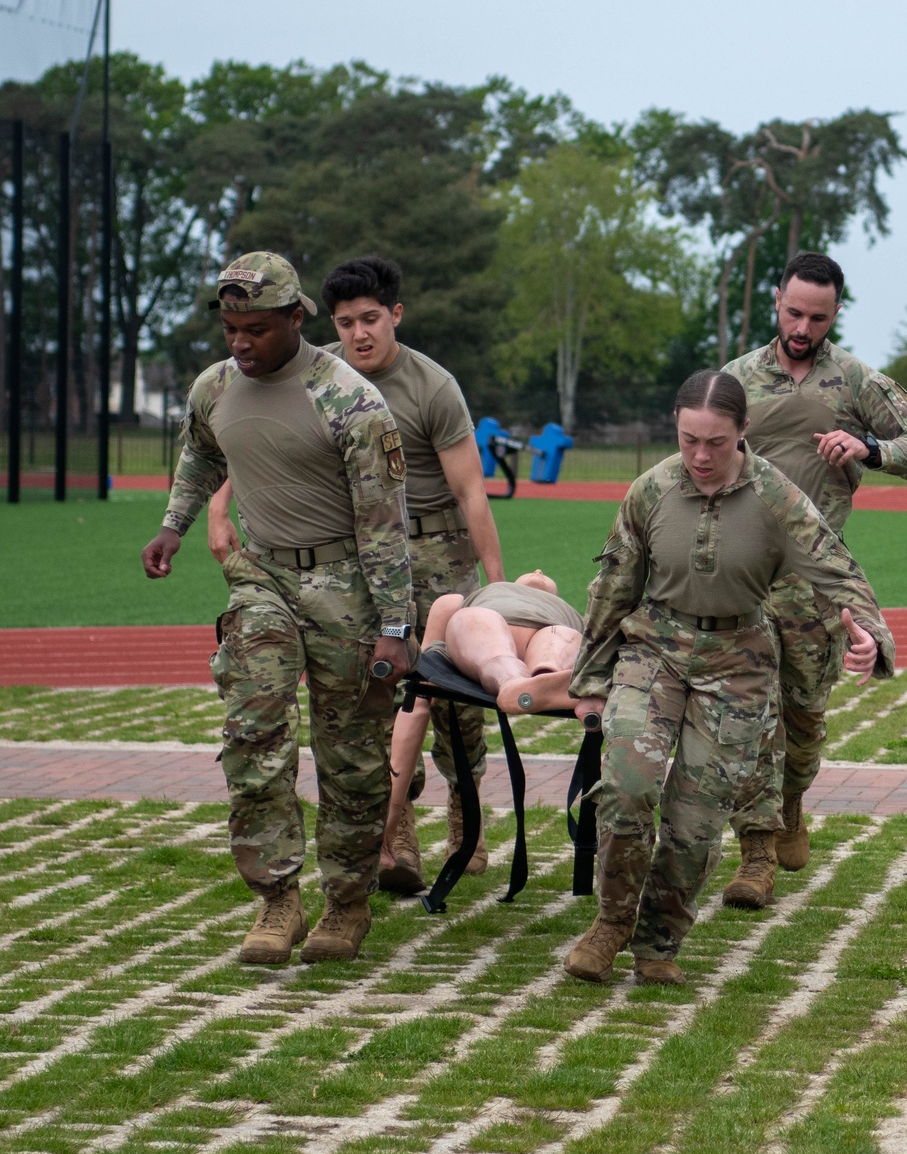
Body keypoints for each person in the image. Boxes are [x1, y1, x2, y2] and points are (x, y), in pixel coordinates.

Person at [563, 368, 894, 987]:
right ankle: (610, 924)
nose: (700, 455)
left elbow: (837, 570)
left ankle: (658, 941)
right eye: (690, 439)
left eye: (716, 441)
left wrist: (872, 635)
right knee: (628, 784)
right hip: (654, 648)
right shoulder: (651, 489)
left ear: (744, 433)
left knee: (696, 816)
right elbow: (613, 588)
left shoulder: (777, 497)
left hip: (738, 658)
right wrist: (588, 679)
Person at [141, 251, 416, 968]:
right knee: (253, 731)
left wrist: (395, 629)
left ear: (297, 320)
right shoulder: (216, 387)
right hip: (260, 579)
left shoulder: (351, 403)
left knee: (352, 760)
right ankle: (276, 897)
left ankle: (347, 904)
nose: (241, 343)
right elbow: (201, 455)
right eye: (231, 329)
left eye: (257, 329)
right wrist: (175, 522)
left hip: (346, 587)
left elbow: (385, 526)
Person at [208, 254, 504, 896]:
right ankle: (395, 832)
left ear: (394, 315)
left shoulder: (432, 386)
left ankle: (464, 809)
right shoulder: (322, 380)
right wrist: (217, 506)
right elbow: (260, 444)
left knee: (454, 699)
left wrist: (494, 586)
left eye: (370, 319)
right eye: (345, 323)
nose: (359, 333)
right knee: (387, 694)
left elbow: (471, 488)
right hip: (363, 556)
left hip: (437, 550)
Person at [722, 251, 907, 896]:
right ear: (777, 304)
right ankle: (754, 857)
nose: (803, 326)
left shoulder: (854, 380)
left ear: (835, 313)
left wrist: (870, 447)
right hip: (745, 575)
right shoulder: (735, 382)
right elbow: (696, 457)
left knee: (803, 719)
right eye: (793, 312)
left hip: (816, 582)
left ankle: (792, 804)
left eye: (817, 317)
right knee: (748, 716)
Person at [379, 571, 585, 874]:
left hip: (541, 628)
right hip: (533, 629)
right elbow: (421, 694)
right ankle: (538, 678)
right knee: (536, 641)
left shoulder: (472, 601)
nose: (539, 572)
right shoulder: (565, 613)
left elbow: (417, 702)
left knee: (499, 636)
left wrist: (391, 813)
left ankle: (520, 678)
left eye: (543, 575)